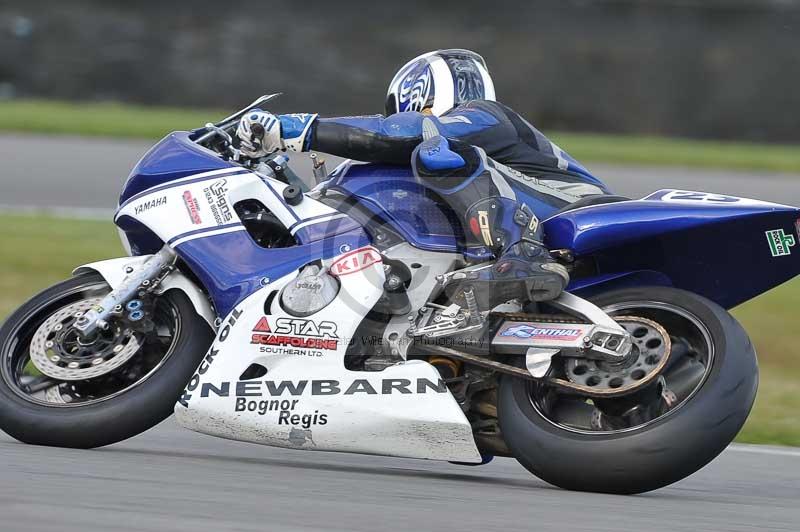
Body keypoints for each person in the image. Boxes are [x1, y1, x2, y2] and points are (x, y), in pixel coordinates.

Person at [235, 49, 607, 305]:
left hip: (577, 212)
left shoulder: (486, 115)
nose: (400, 117)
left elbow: (407, 132)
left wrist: (300, 129)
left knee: (437, 152)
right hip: (540, 219)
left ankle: (524, 256)